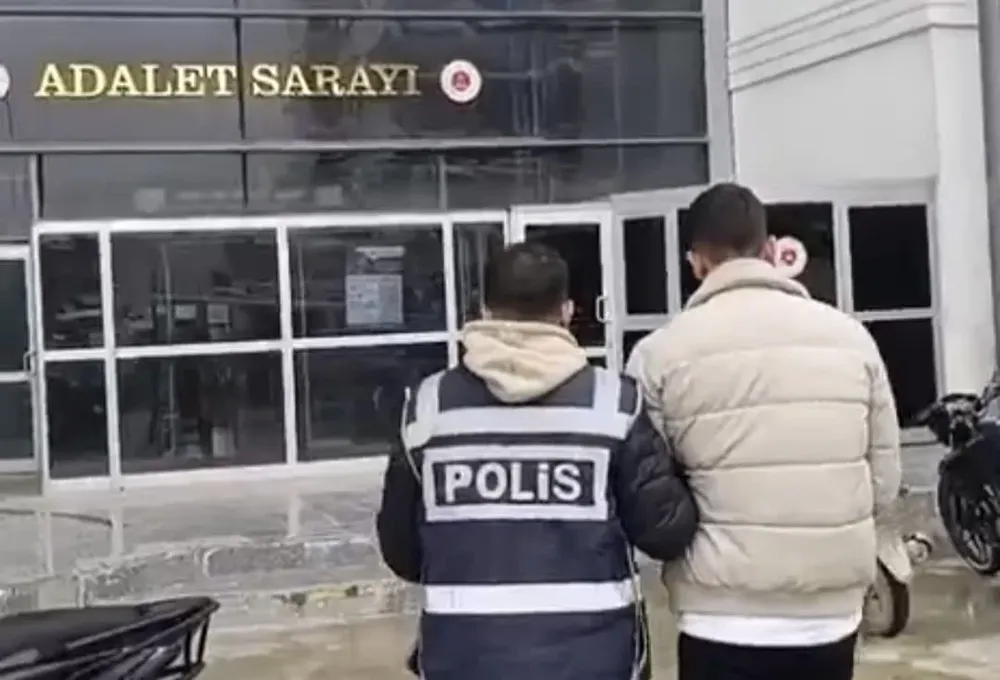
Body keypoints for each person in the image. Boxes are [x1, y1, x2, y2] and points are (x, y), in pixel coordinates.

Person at [376, 242, 699, 680]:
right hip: (596, 659)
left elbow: (403, 551)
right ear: (567, 312)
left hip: (465, 658)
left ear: (484, 311)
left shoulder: (427, 408)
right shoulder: (614, 404)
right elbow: (664, 532)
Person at [626, 183, 902, 680]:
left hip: (720, 615)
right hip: (830, 614)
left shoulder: (659, 354)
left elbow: (652, 502)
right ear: (771, 250)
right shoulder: (851, 338)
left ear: (696, 263)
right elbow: (883, 480)